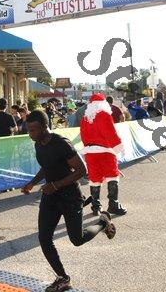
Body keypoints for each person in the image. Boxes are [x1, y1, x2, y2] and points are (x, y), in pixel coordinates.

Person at [21, 109, 116, 292]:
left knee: (77, 239)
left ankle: (103, 223)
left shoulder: (61, 144)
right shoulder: (38, 143)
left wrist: (55, 185)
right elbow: (46, 166)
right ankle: (63, 278)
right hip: (51, 196)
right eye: (29, 130)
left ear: (45, 126)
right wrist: (32, 183)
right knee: (44, 238)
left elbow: (81, 170)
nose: (30, 134)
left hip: (70, 197)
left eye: (33, 130)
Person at [80, 93, 127, 216]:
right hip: (105, 151)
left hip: (90, 153)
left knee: (94, 179)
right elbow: (111, 133)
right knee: (112, 176)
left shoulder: (85, 118)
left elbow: (83, 136)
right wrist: (119, 147)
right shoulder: (104, 115)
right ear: (103, 103)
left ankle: (96, 206)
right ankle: (113, 204)